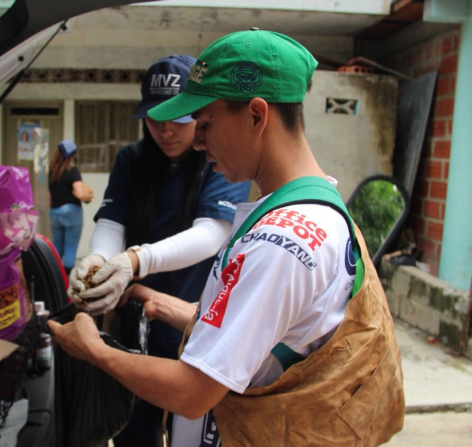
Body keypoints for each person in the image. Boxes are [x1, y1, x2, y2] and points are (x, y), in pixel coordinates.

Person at [49, 30, 405, 446]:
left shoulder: (280, 242)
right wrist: (162, 303)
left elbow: (192, 391)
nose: (198, 142)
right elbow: (264, 329)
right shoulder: (316, 207)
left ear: (256, 115)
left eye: (205, 124)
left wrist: (94, 350)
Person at [68, 54, 251, 446]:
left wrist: (137, 259)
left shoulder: (216, 161)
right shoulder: (131, 160)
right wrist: (98, 260)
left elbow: (211, 233)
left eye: (178, 118)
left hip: (192, 320)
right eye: (154, 118)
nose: (166, 130)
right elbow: (112, 222)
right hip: (134, 319)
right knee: (135, 431)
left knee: (195, 430)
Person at [48, 140, 93, 275]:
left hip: (55, 212)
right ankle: (66, 285)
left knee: (57, 250)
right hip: (71, 213)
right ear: (73, 155)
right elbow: (79, 193)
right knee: (70, 250)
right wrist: (89, 197)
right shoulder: (73, 171)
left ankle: (55, 280)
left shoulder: (52, 171)